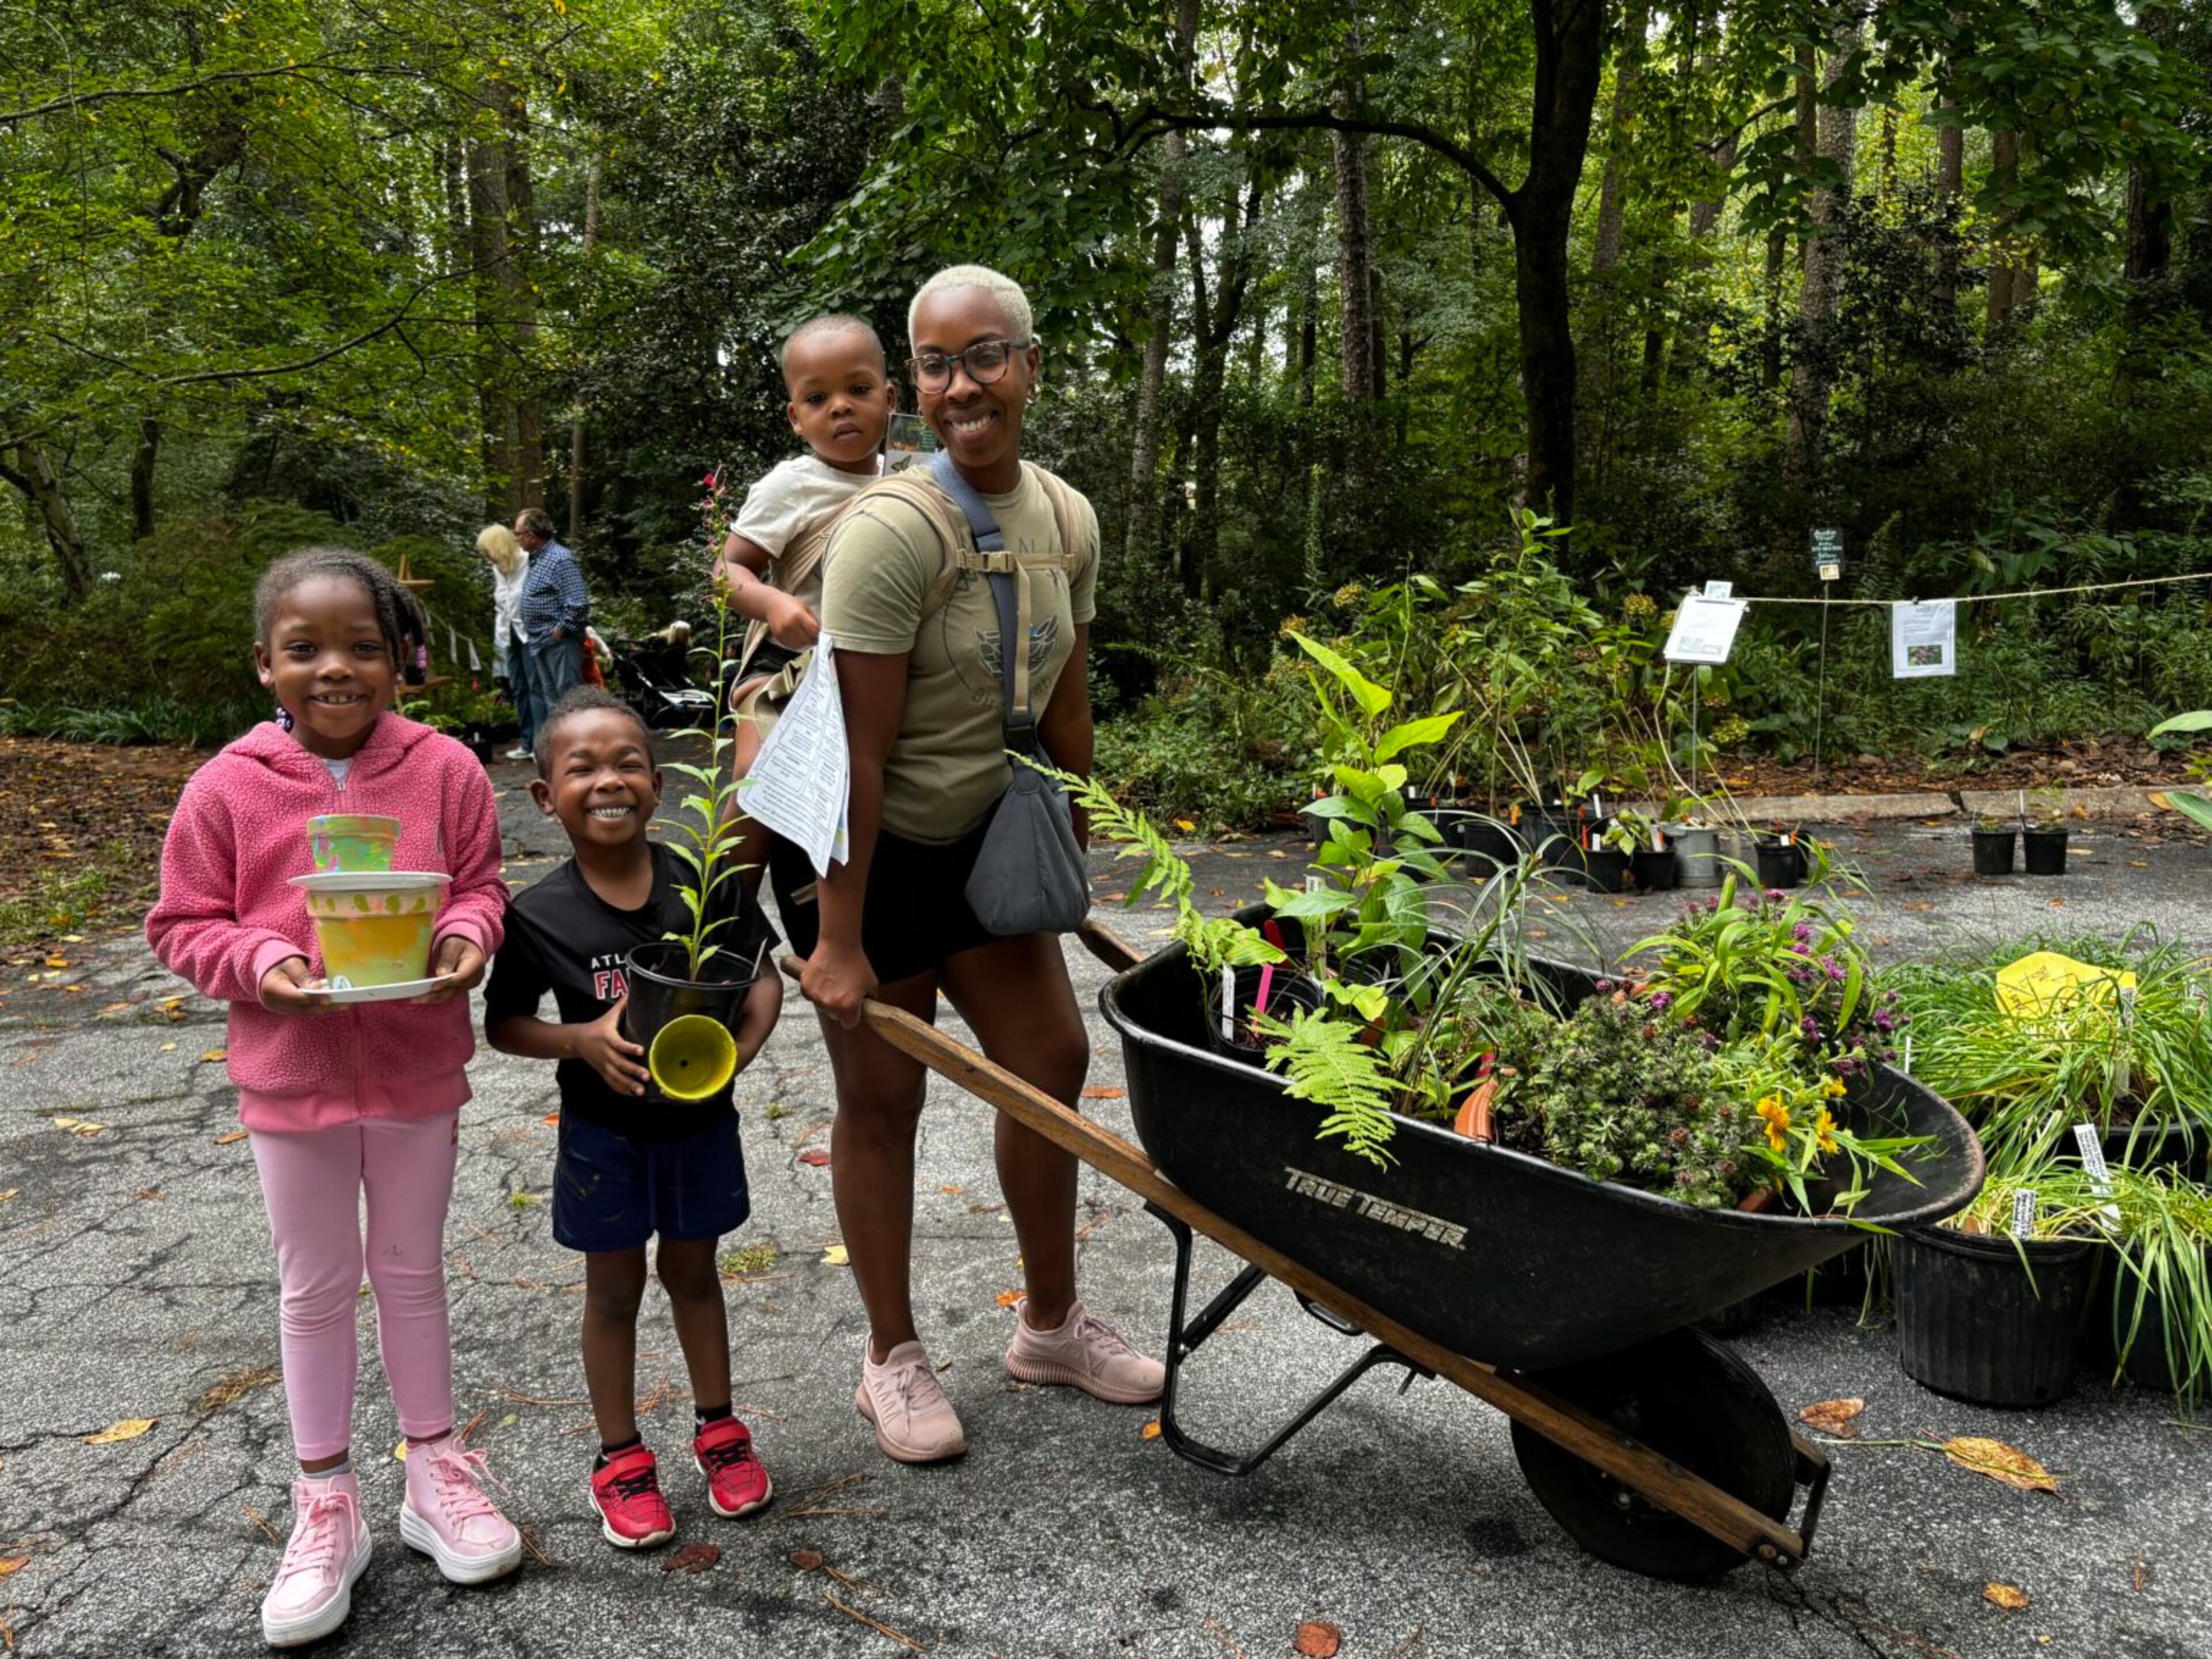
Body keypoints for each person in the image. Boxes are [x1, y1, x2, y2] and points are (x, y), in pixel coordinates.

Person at [782, 265, 1162, 1465]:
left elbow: (1066, 693)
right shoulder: (890, 532)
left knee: (1048, 1061)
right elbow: (855, 751)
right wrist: (840, 942)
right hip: (864, 850)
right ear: (917, 389)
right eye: (938, 365)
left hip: (988, 832)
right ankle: (889, 1357)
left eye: (985, 356)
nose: (962, 386)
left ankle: (1048, 1326)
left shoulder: (1067, 517)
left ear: (1032, 367)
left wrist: (1075, 834)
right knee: (883, 1099)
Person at [146, 548, 521, 1647]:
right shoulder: (226, 786)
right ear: (267, 664)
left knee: (410, 1273)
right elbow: (181, 922)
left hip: (415, 1065)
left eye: (363, 646)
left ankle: (435, 1473)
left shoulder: (446, 770)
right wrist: (258, 961)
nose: (336, 668)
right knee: (313, 1290)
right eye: (306, 649)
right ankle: (325, 1501)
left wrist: (465, 935)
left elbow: (485, 885)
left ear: (401, 661)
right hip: (290, 1074)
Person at [484, 687, 783, 1548]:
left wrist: (742, 1051)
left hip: (699, 1129)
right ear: (546, 796)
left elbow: (761, 976)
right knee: (612, 1293)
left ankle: (720, 1432)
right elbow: (505, 1025)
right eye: (582, 767)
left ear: (658, 783)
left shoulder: (703, 884)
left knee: (695, 1275)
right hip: (601, 1140)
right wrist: (579, 1041)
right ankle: (619, 1458)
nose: (607, 780)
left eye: (626, 763)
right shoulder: (536, 913)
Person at [713, 314, 896, 891]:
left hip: (864, 667)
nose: (840, 407)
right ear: (795, 417)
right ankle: (724, 914)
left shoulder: (912, 479)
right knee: (756, 771)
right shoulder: (790, 486)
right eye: (818, 398)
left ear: (891, 399)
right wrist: (772, 604)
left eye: (858, 390)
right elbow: (726, 568)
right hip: (787, 668)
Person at [514, 505, 588, 762]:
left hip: (559, 642)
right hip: (540, 642)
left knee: (570, 699)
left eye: (519, 533)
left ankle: (582, 750)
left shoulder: (560, 558)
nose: (517, 539)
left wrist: (560, 631)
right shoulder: (537, 559)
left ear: (533, 535)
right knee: (553, 701)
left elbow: (578, 602)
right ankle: (563, 752)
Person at [476, 524, 531, 758]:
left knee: (536, 687)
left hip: (530, 634)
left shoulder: (529, 562)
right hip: (508, 635)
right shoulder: (498, 568)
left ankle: (542, 744)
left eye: (488, 549)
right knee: (518, 687)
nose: (486, 555)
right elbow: (502, 603)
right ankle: (528, 742)